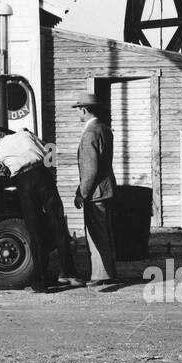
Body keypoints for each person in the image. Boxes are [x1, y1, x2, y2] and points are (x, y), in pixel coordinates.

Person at [0, 128, 82, 291]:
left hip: (22, 181)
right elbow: (48, 151)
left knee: (35, 230)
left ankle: (40, 281)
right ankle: (69, 273)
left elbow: (4, 169)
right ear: (3, 135)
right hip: (42, 175)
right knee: (58, 224)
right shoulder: (25, 134)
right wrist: (50, 171)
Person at [73, 91, 119, 285]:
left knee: (96, 235)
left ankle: (101, 275)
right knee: (105, 232)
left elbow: (90, 169)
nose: (77, 113)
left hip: (96, 192)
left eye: (78, 110)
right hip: (107, 188)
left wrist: (81, 193)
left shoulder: (89, 133)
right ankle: (108, 272)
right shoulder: (104, 129)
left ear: (84, 110)